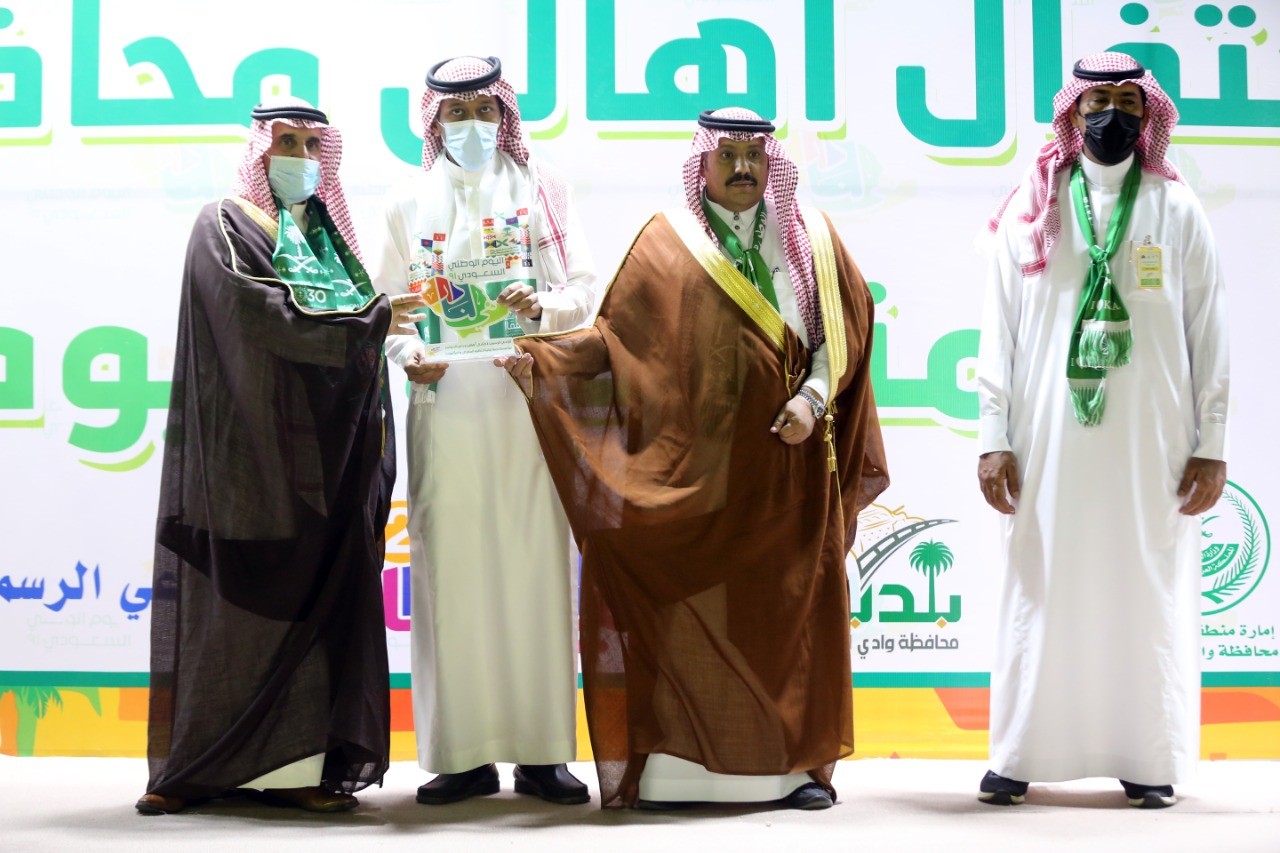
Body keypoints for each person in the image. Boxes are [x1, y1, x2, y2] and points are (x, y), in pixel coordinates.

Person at [499, 107, 888, 810]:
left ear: (771, 162)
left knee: (786, 614)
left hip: (789, 471)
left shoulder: (813, 237)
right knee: (687, 608)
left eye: (754, 155)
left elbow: (845, 332)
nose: (742, 168)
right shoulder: (664, 241)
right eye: (726, 154)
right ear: (701, 162)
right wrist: (542, 356)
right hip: (697, 472)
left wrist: (812, 399)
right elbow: (614, 343)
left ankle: (791, 769)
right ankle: (678, 768)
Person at [137, 98, 406, 815]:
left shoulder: (325, 238)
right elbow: (255, 312)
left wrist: (373, 327)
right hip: (248, 456)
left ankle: (302, 770)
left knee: (318, 604)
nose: (301, 158)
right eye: (285, 143)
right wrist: (372, 321)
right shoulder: (224, 224)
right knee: (238, 612)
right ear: (259, 151)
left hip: (321, 464)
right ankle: (200, 767)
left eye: (312, 145)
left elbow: (346, 336)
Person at [976, 52, 1229, 809]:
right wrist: (993, 436)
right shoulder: (1033, 205)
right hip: (1045, 440)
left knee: (1142, 586)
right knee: (1040, 582)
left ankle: (1145, 756)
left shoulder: (1175, 207)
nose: (1111, 115)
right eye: (1097, 102)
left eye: (1128, 101)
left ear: (1147, 114)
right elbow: (998, 327)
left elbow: (1208, 329)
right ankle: (1021, 752)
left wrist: (1211, 443)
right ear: (1073, 113)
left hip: (1153, 442)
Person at [367, 56, 597, 806]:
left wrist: (542, 307)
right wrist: (410, 356)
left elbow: (584, 290)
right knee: (452, 573)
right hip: (444, 405)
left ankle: (543, 753)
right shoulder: (405, 201)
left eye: (485, 110)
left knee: (536, 568)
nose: (472, 125)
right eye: (457, 112)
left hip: (527, 402)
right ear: (434, 120)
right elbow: (386, 309)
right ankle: (459, 756)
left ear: (505, 115)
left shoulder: (542, 189)